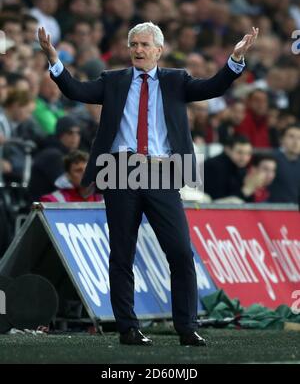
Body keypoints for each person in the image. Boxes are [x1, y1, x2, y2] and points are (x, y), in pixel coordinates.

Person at [38, 22, 258, 346]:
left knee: (181, 251)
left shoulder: (176, 80)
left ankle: (186, 326)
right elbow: (76, 90)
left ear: (158, 50)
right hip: (119, 171)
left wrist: (235, 60)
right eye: (133, 45)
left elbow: (212, 87)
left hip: (162, 173)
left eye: (144, 44)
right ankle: (127, 328)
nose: (138, 50)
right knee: (122, 253)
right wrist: (53, 59)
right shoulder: (113, 80)